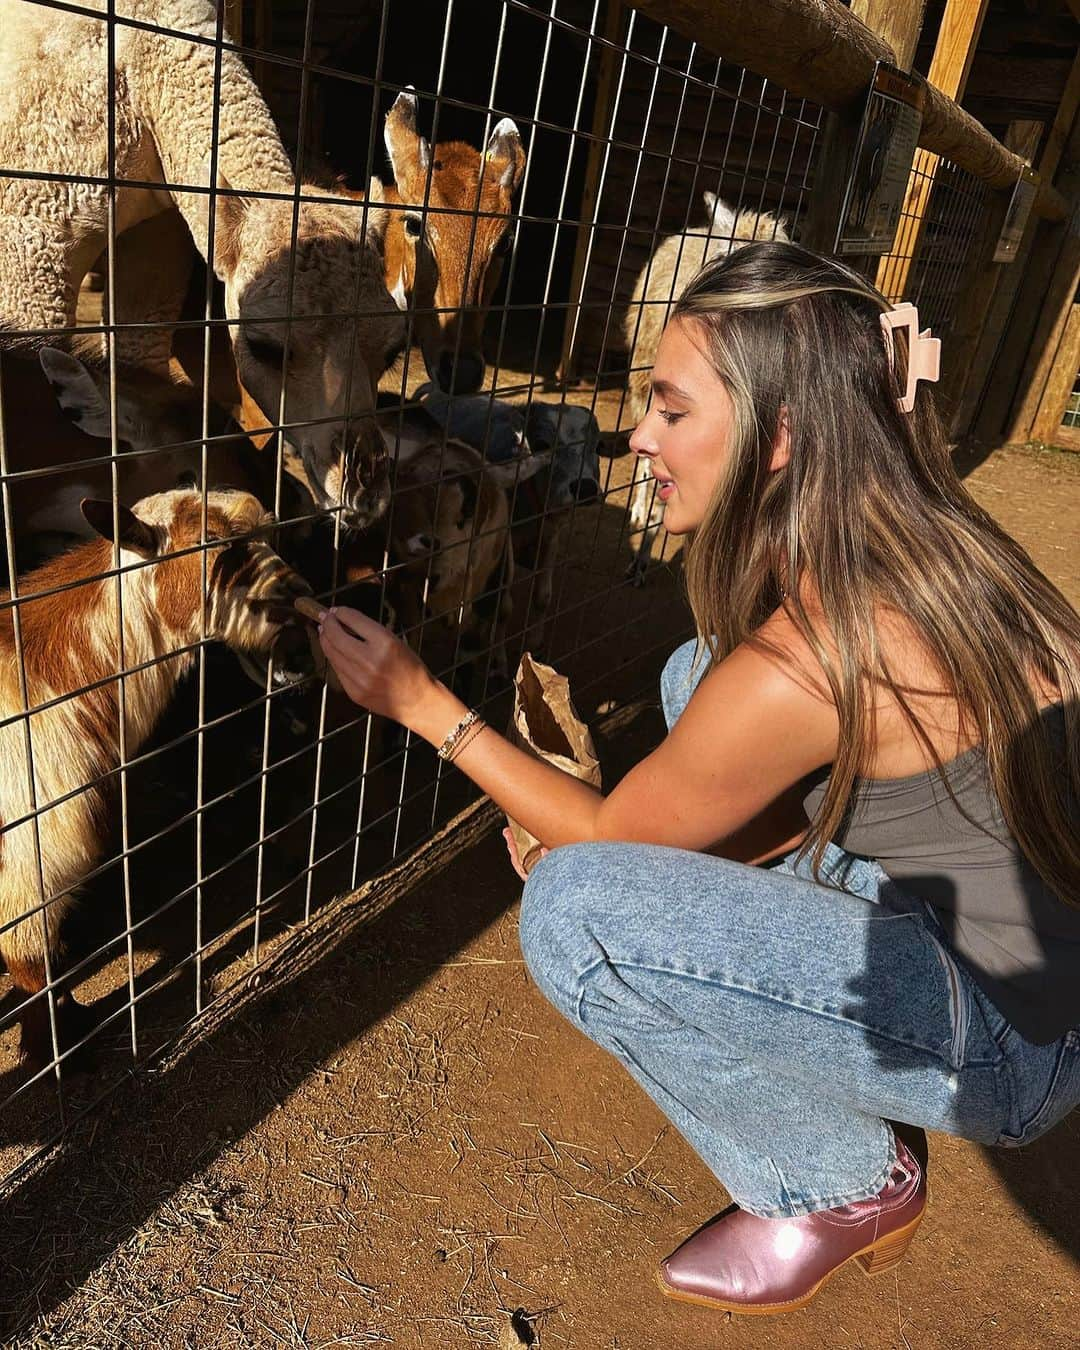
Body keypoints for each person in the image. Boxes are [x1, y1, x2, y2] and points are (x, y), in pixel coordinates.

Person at [315, 242, 1080, 1317]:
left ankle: (840, 1184)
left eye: (672, 410)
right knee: (694, 674)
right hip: (1024, 951)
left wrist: (424, 706)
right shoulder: (922, 538)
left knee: (578, 915)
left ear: (780, 437)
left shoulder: (816, 649)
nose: (639, 436)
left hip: (1012, 1049)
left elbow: (604, 846)